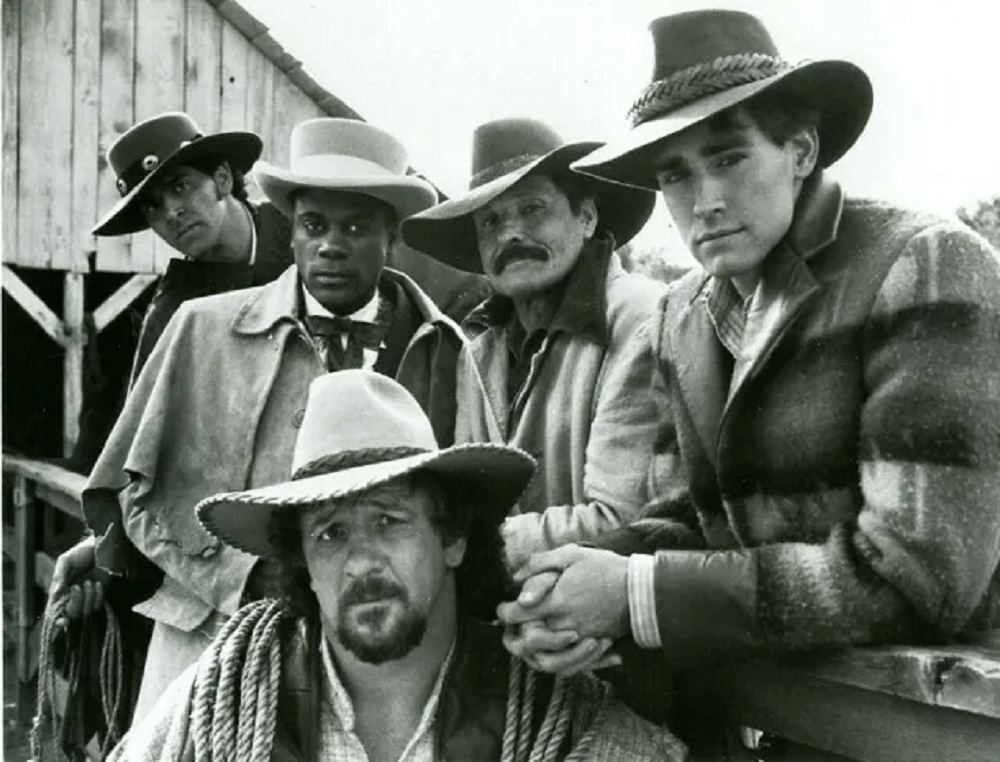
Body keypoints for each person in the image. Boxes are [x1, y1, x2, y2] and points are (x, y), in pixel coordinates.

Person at [498, 9, 1000, 676]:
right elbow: (688, 519)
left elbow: (919, 574)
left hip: (941, 712)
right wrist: (562, 588)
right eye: (675, 175)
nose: (704, 200)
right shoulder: (680, 315)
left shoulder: (924, 264)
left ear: (802, 152)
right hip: (778, 703)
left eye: (729, 159)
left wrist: (637, 594)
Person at [73, 117, 472, 723]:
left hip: (381, 659)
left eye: (356, 227)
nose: (330, 245)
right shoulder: (195, 327)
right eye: (313, 225)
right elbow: (128, 487)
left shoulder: (442, 347)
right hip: (215, 644)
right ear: (293, 230)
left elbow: (475, 511)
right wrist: (235, 575)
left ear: (391, 236)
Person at [104, 370, 684, 761]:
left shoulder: (554, 708)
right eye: (330, 534)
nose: (360, 561)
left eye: (389, 520)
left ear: (452, 539)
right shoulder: (231, 692)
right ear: (304, 565)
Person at [402, 118, 664, 574]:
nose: (509, 235)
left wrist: (464, 548)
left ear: (586, 218)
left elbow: (622, 519)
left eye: (532, 209)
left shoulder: (639, 320)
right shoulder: (479, 350)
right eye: (490, 221)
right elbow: (469, 494)